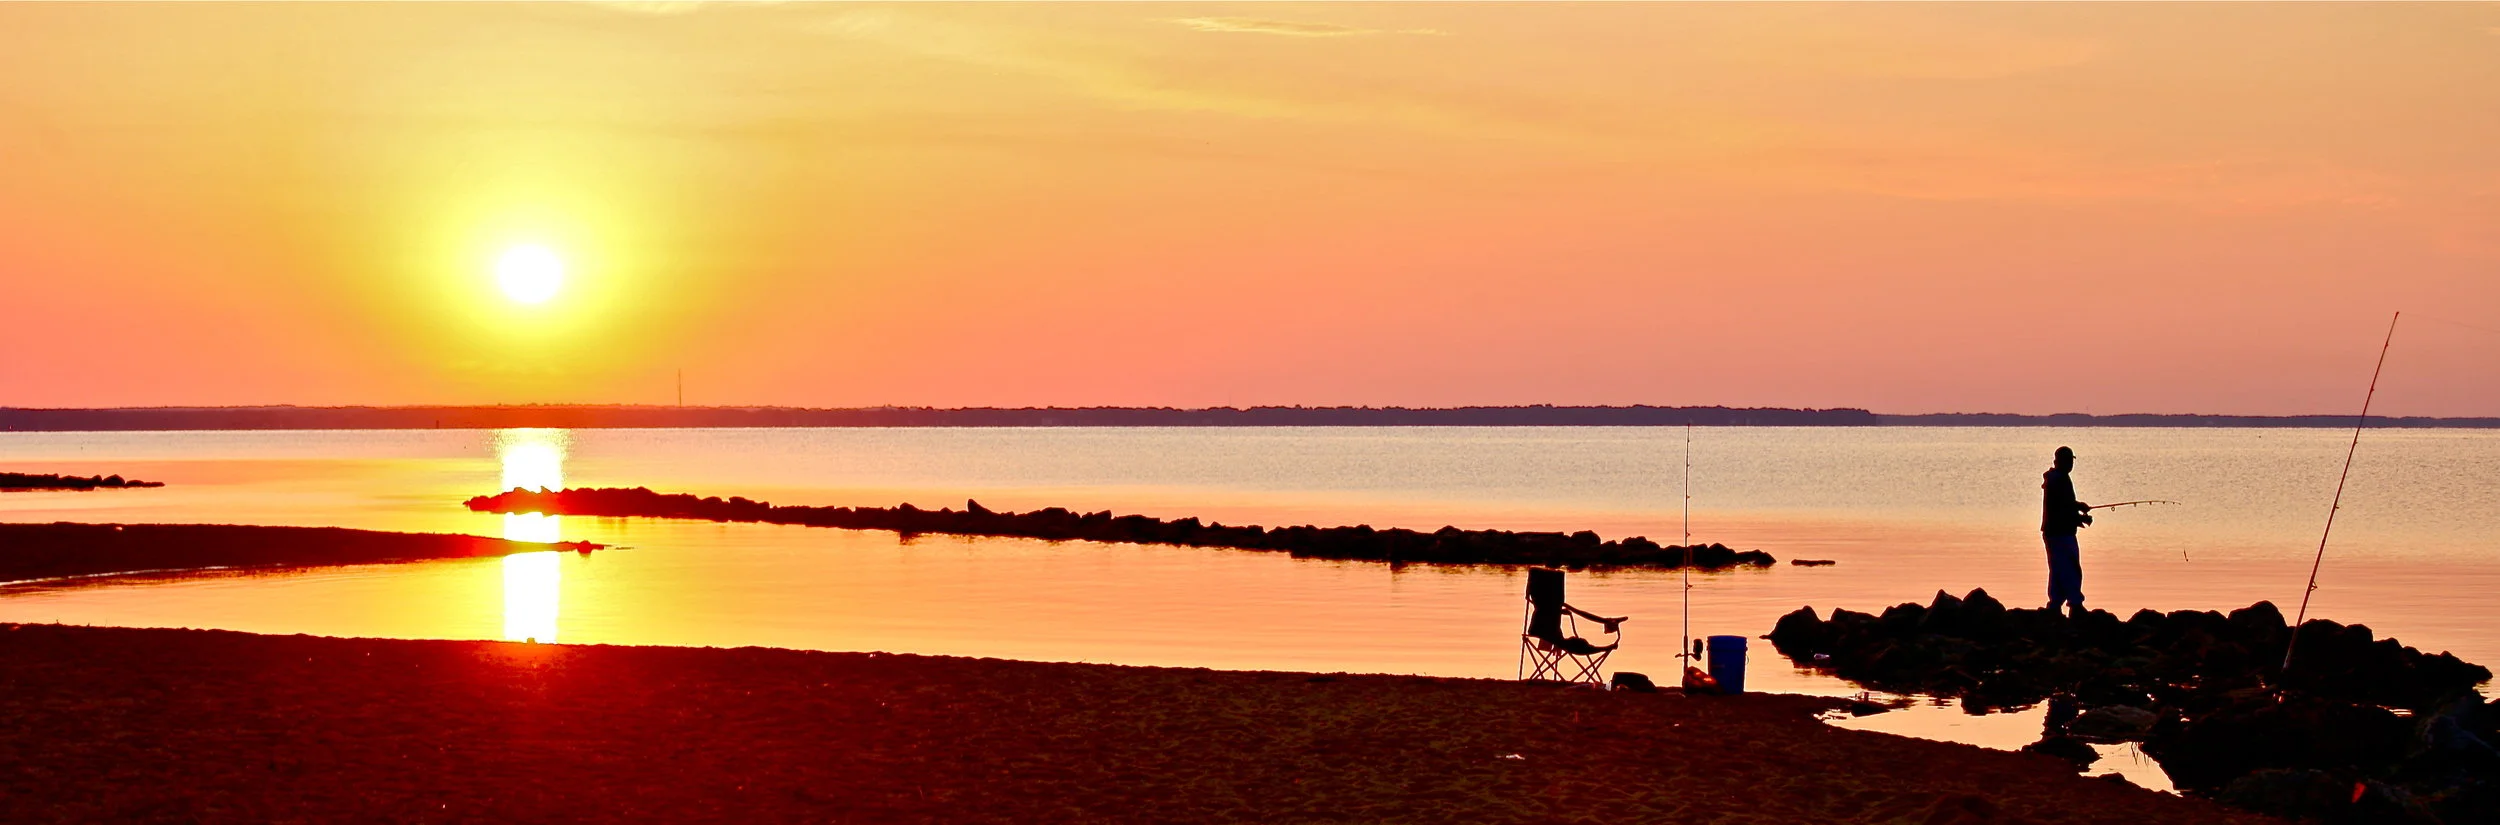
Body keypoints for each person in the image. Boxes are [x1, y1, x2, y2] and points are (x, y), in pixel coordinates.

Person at [2041, 446, 2093, 616]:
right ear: (2059, 461)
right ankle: (2075, 605)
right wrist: (2080, 518)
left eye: (2072, 461)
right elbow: (2061, 508)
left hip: (2054, 531)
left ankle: (2055, 605)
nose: (2071, 464)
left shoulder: (2057, 478)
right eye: (2068, 460)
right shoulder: (2059, 480)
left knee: (2058, 569)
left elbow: (2065, 504)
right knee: (2070, 569)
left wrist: (2078, 507)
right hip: (2060, 533)